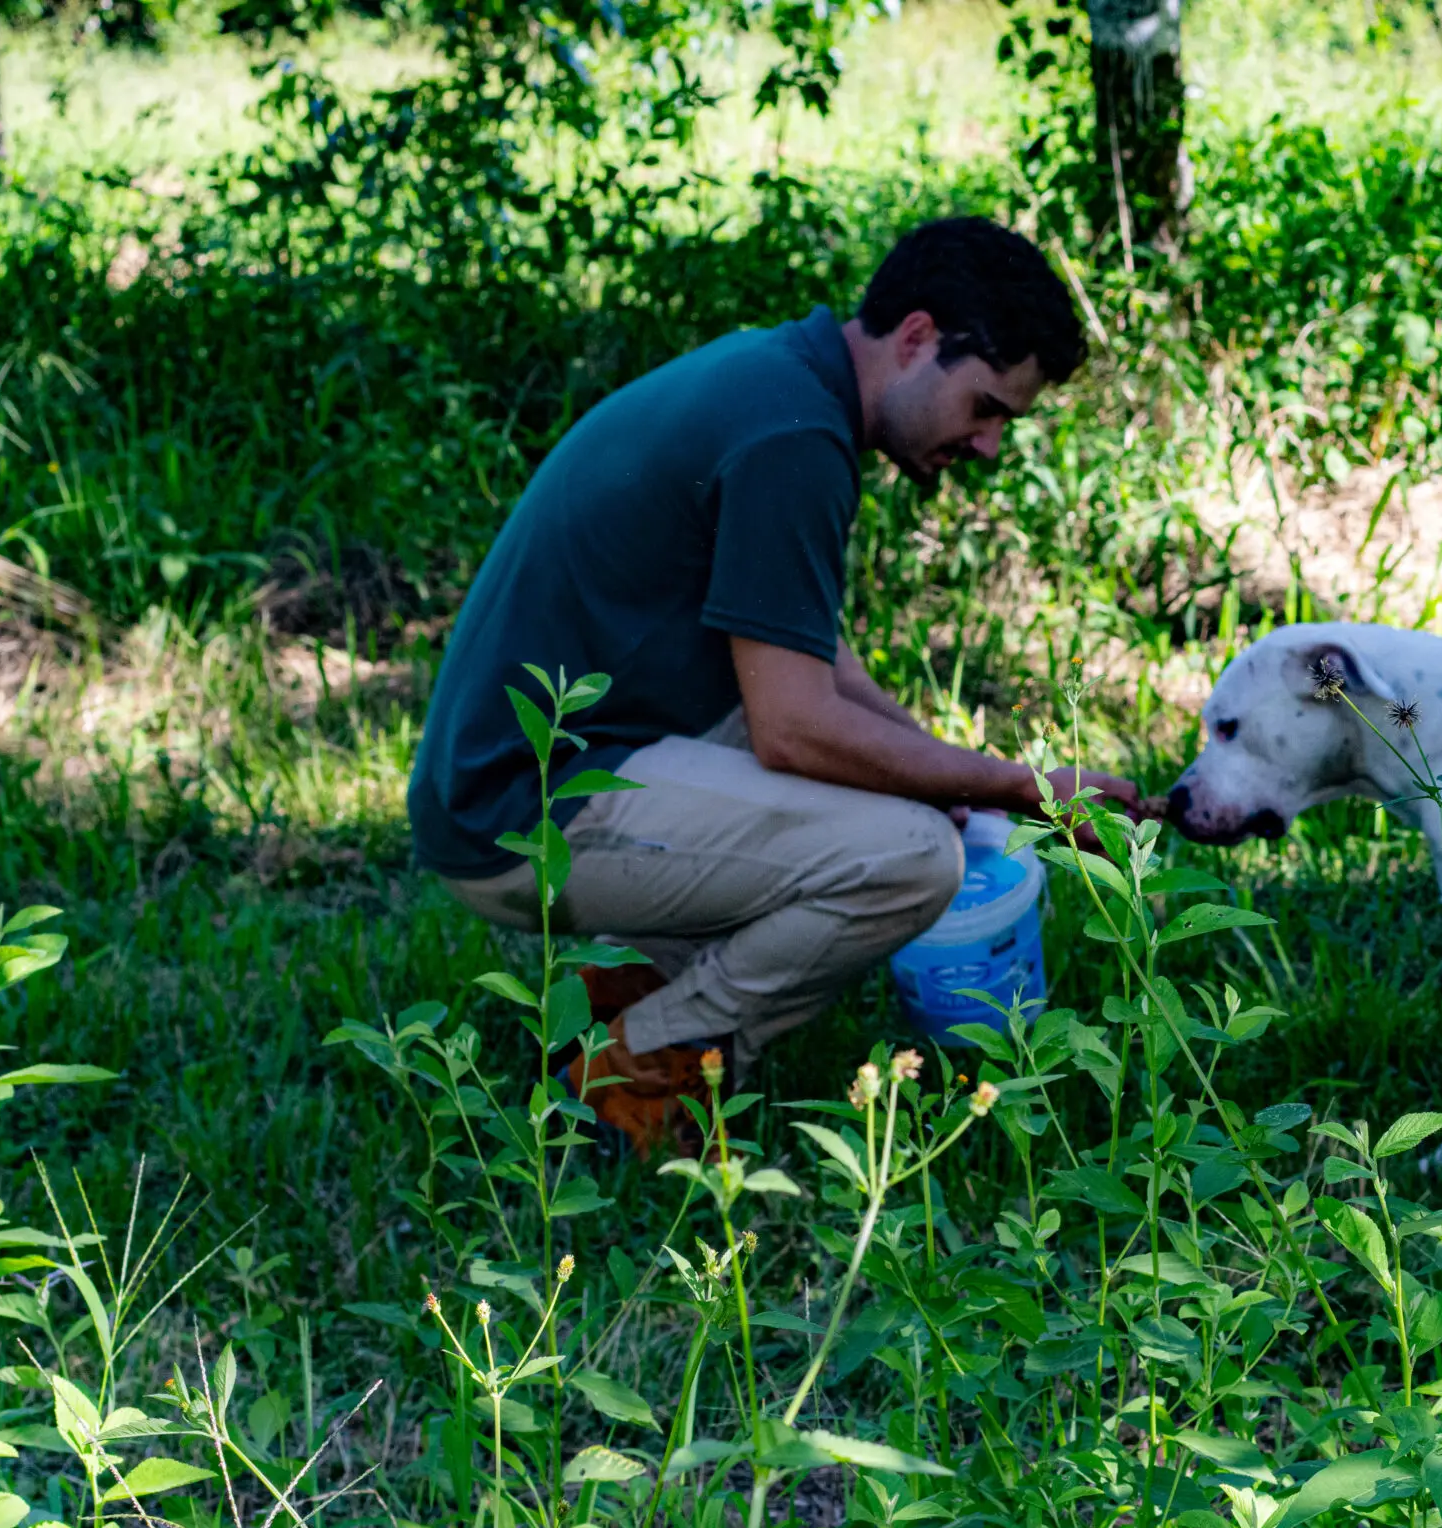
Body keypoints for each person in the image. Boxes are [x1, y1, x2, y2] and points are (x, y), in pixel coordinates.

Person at [407, 216, 1140, 1147]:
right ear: (918, 337)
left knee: (907, 805)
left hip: (557, 761)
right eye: (986, 406)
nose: (990, 444)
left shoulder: (783, 381)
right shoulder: (793, 433)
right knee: (912, 859)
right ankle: (640, 1071)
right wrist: (1016, 788)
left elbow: (815, 660)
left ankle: (620, 987)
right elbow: (792, 727)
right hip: (516, 813)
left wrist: (954, 777)